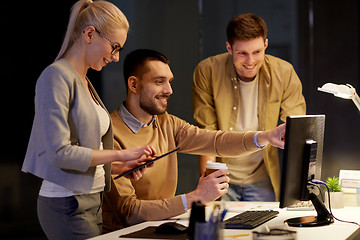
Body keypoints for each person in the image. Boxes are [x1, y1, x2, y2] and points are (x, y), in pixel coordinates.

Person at [102, 49, 286, 232]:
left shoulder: (167, 123)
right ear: (133, 84)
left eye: (169, 82)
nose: (169, 90)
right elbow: (129, 213)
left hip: (161, 230)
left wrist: (265, 136)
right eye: (159, 82)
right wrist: (195, 198)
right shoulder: (110, 136)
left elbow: (215, 141)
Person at [21, 1, 156, 239]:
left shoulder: (84, 81)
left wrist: (119, 167)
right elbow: (61, 154)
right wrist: (121, 154)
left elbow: (85, 159)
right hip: (66, 205)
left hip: (91, 203)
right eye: (115, 47)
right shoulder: (55, 77)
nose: (115, 58)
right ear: (90, 33)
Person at [192, 13, 306, 202]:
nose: (250, 61)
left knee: (264, 229)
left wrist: (301, 189)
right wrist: (208, 187)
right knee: (219, 230)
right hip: (222, 175)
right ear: (229, 48)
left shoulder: (284, 73)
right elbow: (206, 135)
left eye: (257, 52)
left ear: (266, 45)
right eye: (242, 53)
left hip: (261, 177)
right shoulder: (207, 71)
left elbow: (297, 132)